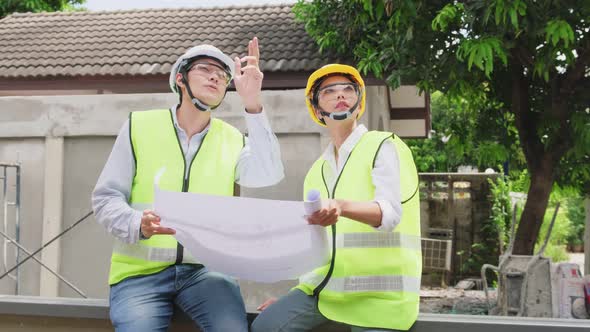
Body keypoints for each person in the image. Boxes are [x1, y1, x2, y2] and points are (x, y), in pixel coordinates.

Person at [92, 37, 284, 332]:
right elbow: (106, 198)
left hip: (206, 273)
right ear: (180, 79)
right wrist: (136, 222)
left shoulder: (232, 138)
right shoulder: (139, 126)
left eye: (222, 75)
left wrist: (253, 104)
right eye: (205, 69)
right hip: (139, 273)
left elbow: (268, 173)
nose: (215, 77)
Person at [251, 64, 421, 332]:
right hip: (326, 294)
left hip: (381, 301)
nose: (341, 95)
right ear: (317, 108)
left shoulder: (382, 145)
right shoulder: (316, 171)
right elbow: (316, 246)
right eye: (330, 91)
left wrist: (341, 206)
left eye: (348, 90)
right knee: (265, 326)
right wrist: (295, 295)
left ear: (359, 101)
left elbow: (389, 214)